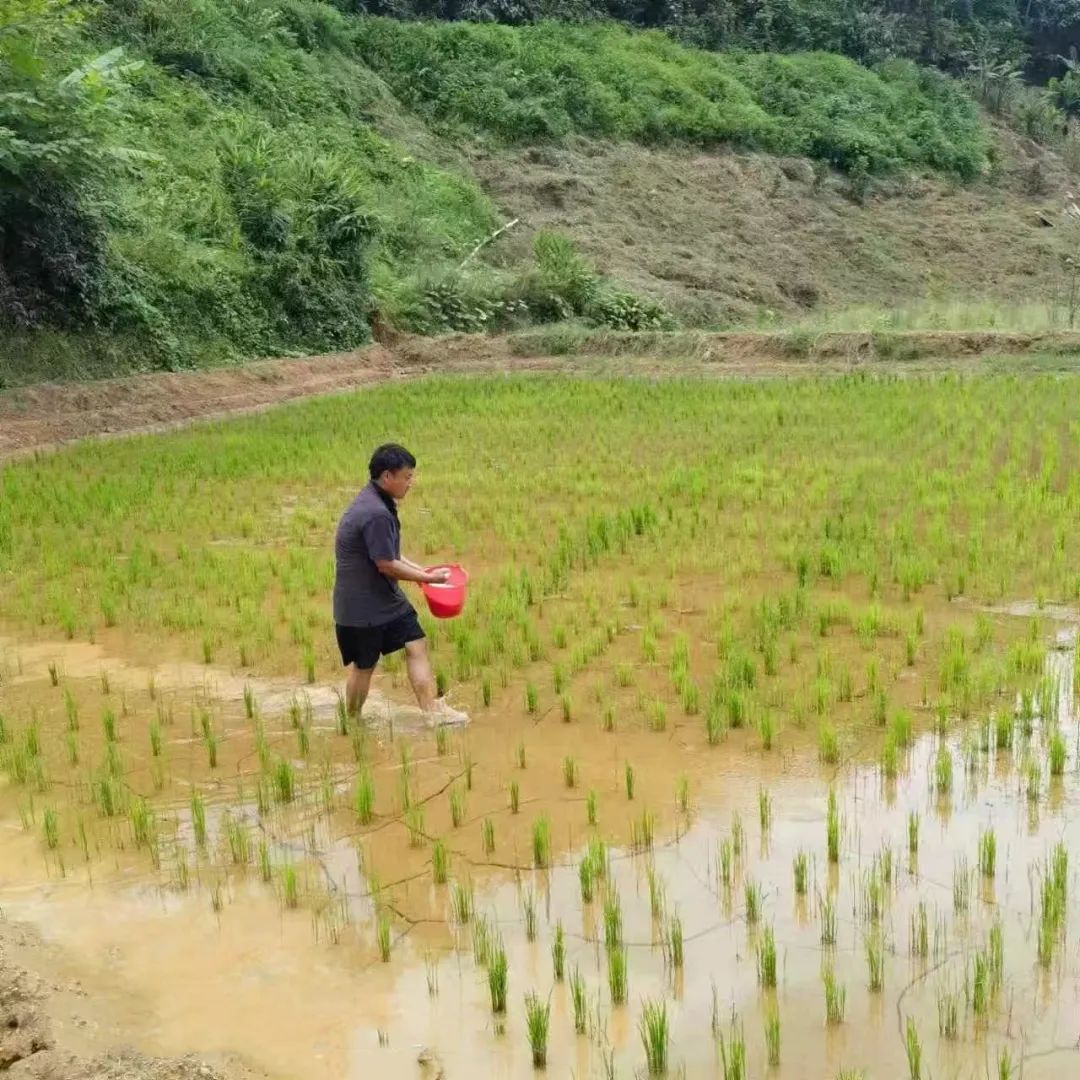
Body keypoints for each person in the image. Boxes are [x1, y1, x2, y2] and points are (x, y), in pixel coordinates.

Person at [333, 443, 468, 726]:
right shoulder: (375, 513)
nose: (411, 482)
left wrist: (422, 572)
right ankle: (352, 722)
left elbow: (389, 554)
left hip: (384, 599)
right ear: (387, 477)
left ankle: (431, 712)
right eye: (406, 477)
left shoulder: (378, 502)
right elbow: (386, 564)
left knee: (415, 643)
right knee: (365, 666)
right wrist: (428, 579)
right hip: (361, 608)